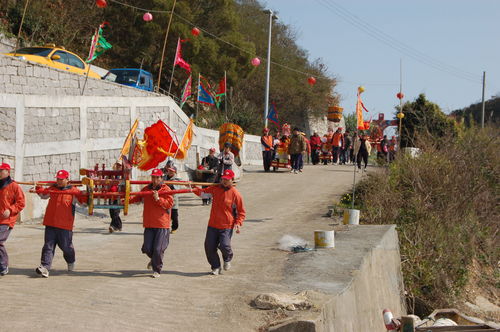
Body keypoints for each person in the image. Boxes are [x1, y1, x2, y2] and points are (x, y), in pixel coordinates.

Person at [194, 169, 246, 275]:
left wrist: (238, 223)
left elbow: (241, 212)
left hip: (227, 226)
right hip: (213, 224)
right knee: (209, 246)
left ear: (232, 180)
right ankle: (216, 267)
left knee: (224, 245)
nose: (224, 181)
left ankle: (227, 258)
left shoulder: (236, 194)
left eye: (227, 180)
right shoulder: (215, 189)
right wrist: (192, 188)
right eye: (223, 179)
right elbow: (204, 194)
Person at [35, 170, 84, 278]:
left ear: (67, 180)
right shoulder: (52, 189)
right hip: (50, 223)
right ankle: (45, 267)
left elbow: (83, 203)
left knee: (66, 247)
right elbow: (43, 195)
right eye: (58, 179)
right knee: (48, 246)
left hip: (65, 225)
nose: (59, 181)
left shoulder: (73, 191)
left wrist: (85, 195)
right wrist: (38, 188)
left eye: (61, 179)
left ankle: (71, 260)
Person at [129, 169, 174, 278]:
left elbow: (169, 204)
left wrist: (158, 199)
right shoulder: (146, 189)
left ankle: (157, 269)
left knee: (158, 249)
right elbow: (136, 198)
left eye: (157, 177)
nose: (155, 180)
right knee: (147, 248)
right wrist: (125, 200)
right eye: (153, 177)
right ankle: (154, 259)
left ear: (161, 178)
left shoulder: (166, 189)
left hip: (161, 224)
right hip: (149, 224)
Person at [0, 163, 25, 276]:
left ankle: (3, 265)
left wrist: (10, 210)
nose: (0, 173)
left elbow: (21, 202)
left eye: (2, 171)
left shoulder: (14, 186)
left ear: (8, 172)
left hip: (7, 220)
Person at [163, 165, 181, 233]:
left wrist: (169, 184)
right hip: (164, 199)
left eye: (172, 171)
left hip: (173, 200)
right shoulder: (164, 177)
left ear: (175, 172)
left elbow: (176, 188)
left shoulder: (177, 179)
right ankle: (165, 227)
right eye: (169, 170)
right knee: (165, 215)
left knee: (174, 216)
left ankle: (174, 228)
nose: (170, 172)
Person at [108, 162, 123, 233]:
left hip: (118, 196)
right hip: (110, 196)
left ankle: (113, 226)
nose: (118, 167)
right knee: (111, 212)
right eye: (117, 165)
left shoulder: (122, 175)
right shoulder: (111, 174)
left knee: (116, 212)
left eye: (119, 166)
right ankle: (119, 225)